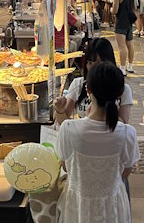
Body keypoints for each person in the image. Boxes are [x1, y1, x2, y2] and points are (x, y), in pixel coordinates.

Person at [56, 62, 139, 223]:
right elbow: (125, 172)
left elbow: (66, 167)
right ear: (121, 92)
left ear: (88, 90)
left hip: (78, 205)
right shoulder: (128, 133)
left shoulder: (68, 128)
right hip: (112, 205)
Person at [55, 38, 134, 125]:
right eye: (89, 62)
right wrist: (60, 109)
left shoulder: (123, 89)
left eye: (97, 64)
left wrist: (96, 115)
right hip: (84, 135)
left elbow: (123, 124)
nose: (92, 67)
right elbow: (62, 121)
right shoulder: (79, 84)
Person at [111, 0, 136, 74]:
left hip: (121, 22)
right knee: (129, 44)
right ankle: (130, 66)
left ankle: (122, 68)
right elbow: (134, 7)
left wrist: (111, 10)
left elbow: (115, 11)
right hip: (129, 22)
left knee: (122, 46)